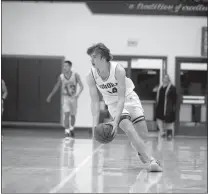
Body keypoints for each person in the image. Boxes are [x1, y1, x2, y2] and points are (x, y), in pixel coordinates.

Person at [86, 43, 162, 172]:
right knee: (129, 130)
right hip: (113, 104)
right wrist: (94, 125)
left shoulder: (118, 70)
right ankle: (151, 160)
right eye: (90, 57)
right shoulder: (91, 76)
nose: (91, 60)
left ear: (103, 57)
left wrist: (115, 122)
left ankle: (140, 151)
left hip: (129, 98)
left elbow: (122, 97)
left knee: (143, 134)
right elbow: (94, 101)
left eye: (94, 57)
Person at [46, 60, 84, 139]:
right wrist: (50, 95)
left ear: (70, 67)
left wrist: (78, 95)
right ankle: (67, 132)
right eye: (64, 66)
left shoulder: (75, 75)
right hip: (65, 97)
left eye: (66, 66)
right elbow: (57, 86)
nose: (64, 67)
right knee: (66, 114)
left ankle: (72, 129)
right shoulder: (61, 76)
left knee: (72, 115)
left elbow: (81, 86)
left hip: (73, 97)